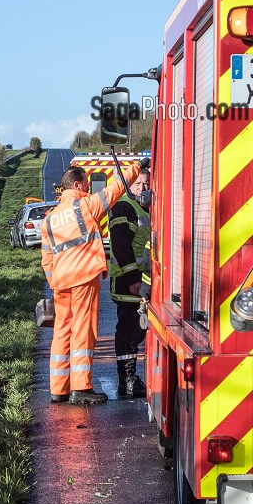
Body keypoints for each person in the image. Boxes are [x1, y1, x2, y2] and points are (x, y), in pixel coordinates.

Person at [41, 157, 142, 405]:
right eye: (86, 184)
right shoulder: (85, 206)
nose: (88, 188)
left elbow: (47, 259)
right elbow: (116, 189)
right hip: (84, 279)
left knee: (62, 333)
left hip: (61, 283)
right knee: (83, 333)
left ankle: (58, 389)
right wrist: (138, 167)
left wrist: (54, 283)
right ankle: (81, 388)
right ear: (77, 185)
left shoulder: (50, 219)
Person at [108, 163, 152, 396]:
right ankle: (127, 381)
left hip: (143, 282)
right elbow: (121, 246)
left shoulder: (145, 207)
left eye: (146, 183)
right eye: (138, 183)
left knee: (137, 333)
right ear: (128, 185)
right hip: (128, 283)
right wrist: (134, 280)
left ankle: (131, 379)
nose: (142, 188)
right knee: (128, 333)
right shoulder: (124, 207)